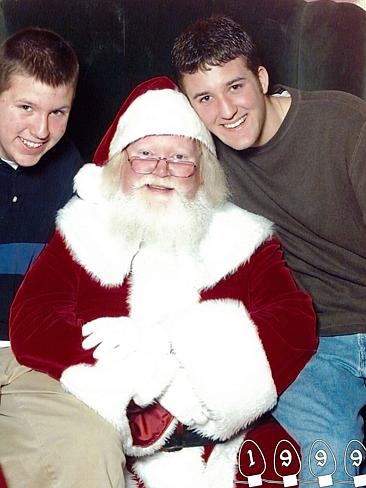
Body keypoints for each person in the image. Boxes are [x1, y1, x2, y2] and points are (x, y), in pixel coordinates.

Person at [5, 75, 316, 488]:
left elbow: (293, 321)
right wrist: (121, 378)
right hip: (113, 439)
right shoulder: (83, 229)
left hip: (219, 442)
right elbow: (33, 319)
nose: (161, 171)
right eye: (146, 154)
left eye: (180, 159)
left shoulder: (243, 238)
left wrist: (183, 382)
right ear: (121, 164)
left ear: (202, 171)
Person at [171, 14, 366, 486]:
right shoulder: (204, 161)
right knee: (333, 462)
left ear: (261, 78)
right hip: (312, 343)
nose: (226, 110)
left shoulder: (344, 123)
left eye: (234, 86)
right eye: (204, 98)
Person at [0, 26, 84, 487]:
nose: (40, 130)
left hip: (33, 358)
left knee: (91, 445)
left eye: (58, 112)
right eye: (25, 107)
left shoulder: (74, 172)